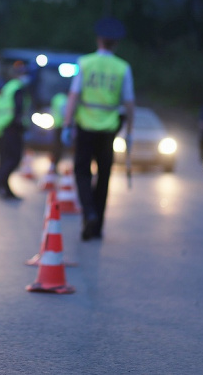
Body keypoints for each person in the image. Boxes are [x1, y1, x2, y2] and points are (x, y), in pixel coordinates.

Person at [62, 17, 135, 241]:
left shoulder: (85, 63)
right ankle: (97, 226)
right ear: (116, 44)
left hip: (85, 127)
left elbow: (73, 96)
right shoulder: (123, 68)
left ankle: (88, 212)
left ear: (99, 40)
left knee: (82, 172)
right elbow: (129, 103)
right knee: (103, 177)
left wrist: (67, 124)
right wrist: (130, 132)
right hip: (109, 130)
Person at [0, 62, 32, 199]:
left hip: (4, 127)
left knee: (6, 158)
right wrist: (21, 124)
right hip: (12, 127)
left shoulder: (8, 87)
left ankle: (4, 187)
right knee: (13, 158)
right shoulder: (17, 88)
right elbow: (18, 110)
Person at [48, 91, 68, 173]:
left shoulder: (56, 98)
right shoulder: (64, 100)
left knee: (56, 145)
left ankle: (53, 164)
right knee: (59, 147)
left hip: (56, 124)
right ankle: (55, 165)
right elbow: (64, 113)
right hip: (62, 125)